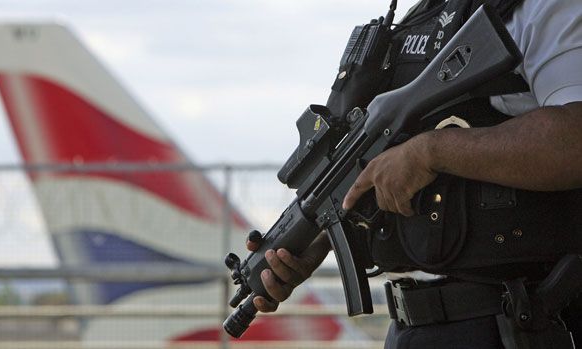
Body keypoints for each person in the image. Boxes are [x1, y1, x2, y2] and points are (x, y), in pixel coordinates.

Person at [246, 0, 582, 347]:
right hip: (410, 327)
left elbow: (575, 139)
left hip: (514, 321)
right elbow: (389, 172)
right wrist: (321, 237)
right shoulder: (419, 20)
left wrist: (432, 152)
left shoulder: (539, 8)